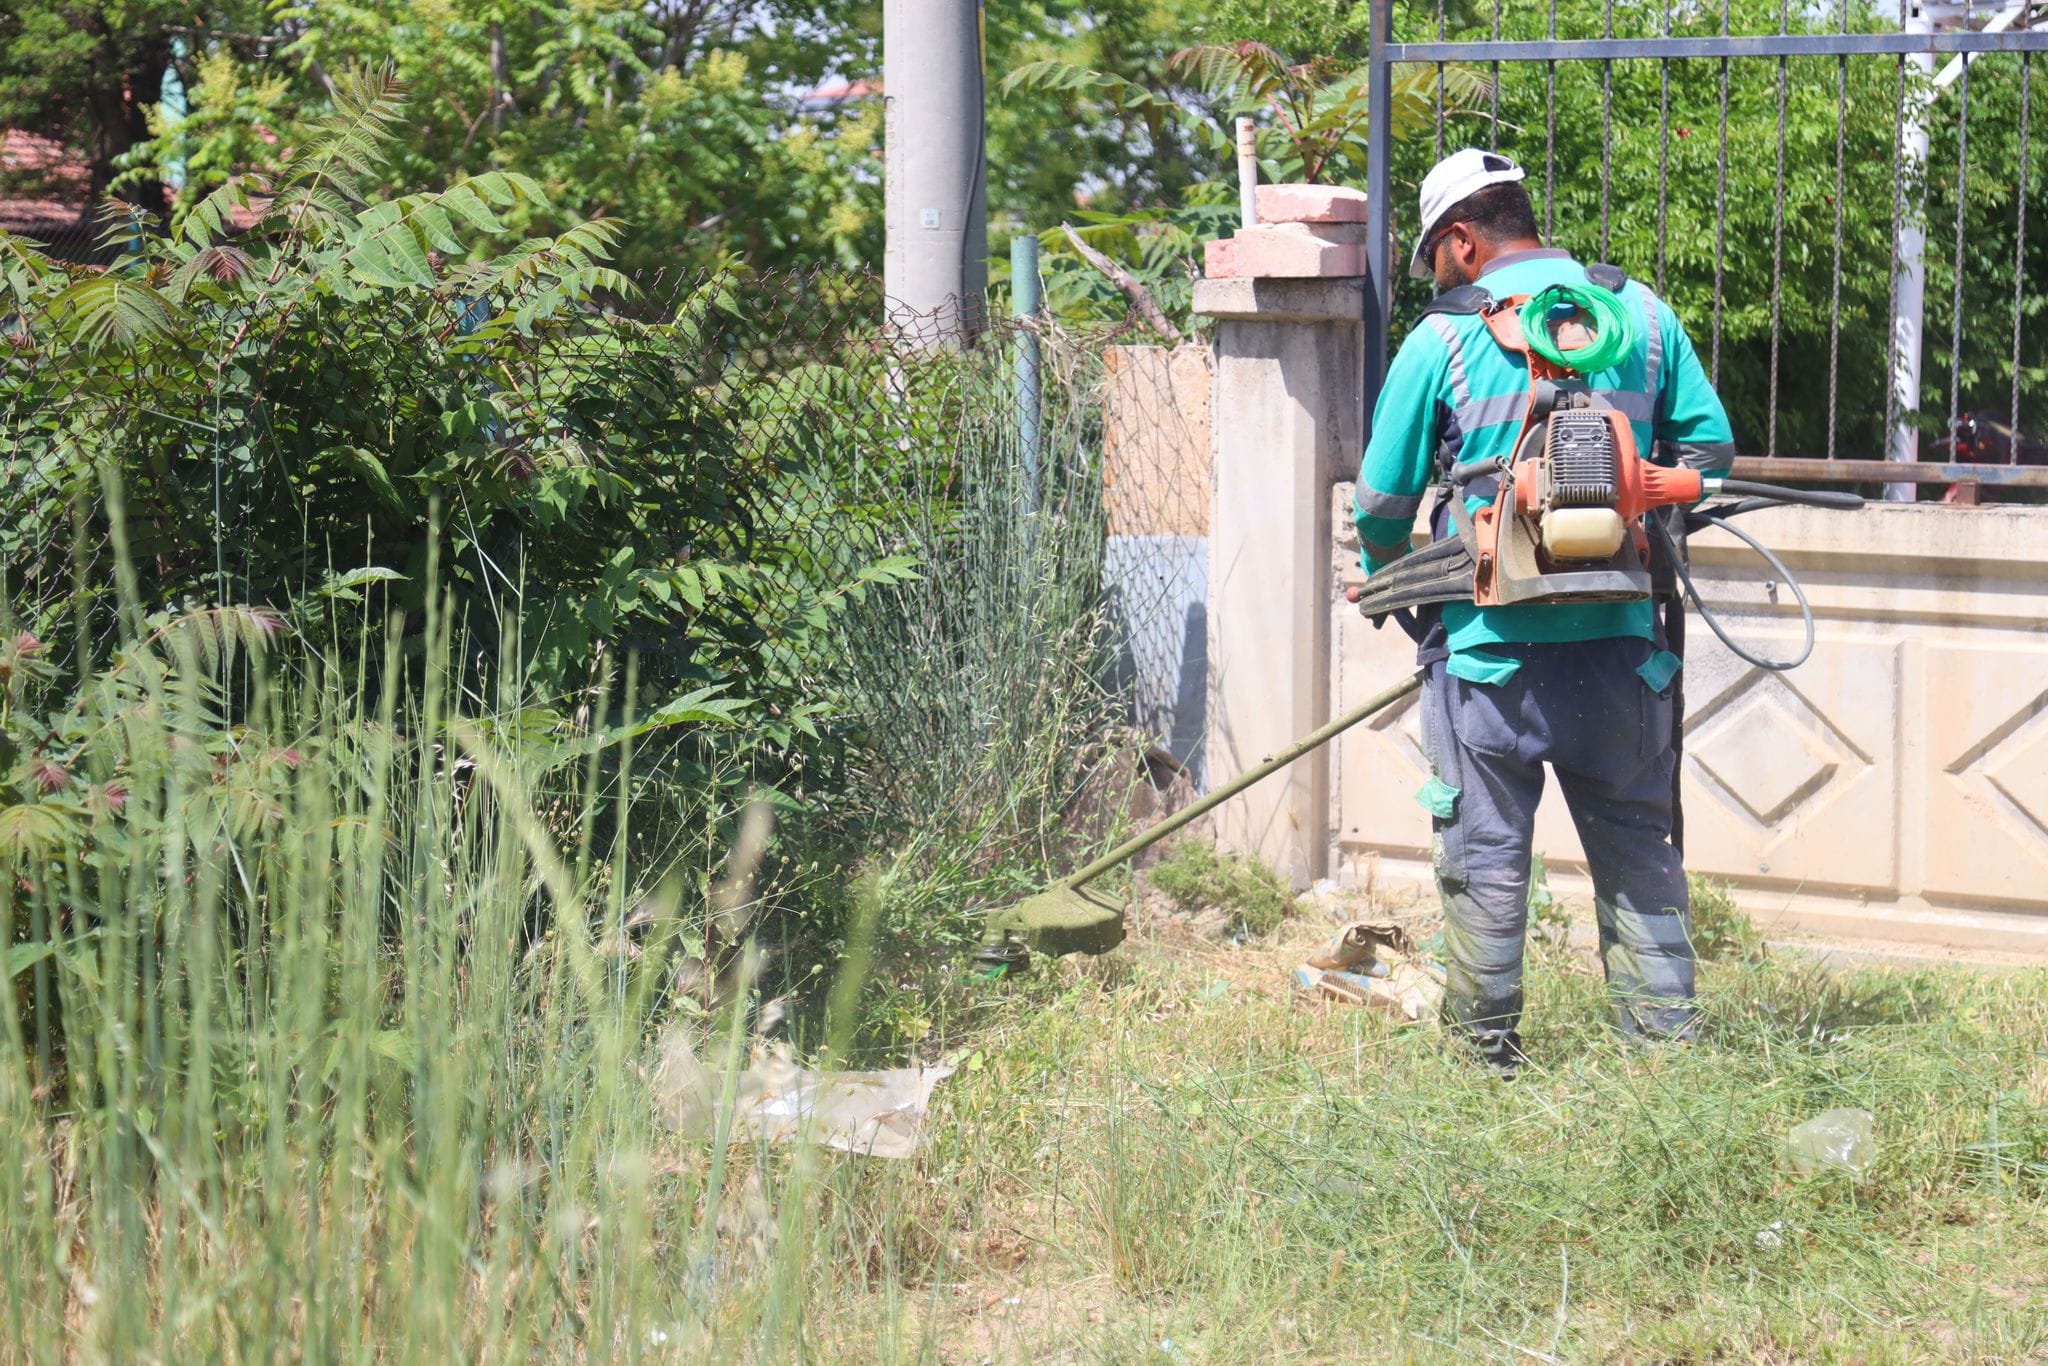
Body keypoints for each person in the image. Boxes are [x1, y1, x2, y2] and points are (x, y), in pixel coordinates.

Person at [1353, 148, 1735, 1072]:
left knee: (1485, 857)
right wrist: (1648, 488)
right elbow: (1714, 455)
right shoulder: (1639, 316)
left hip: (1487, 661)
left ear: (1463, 240)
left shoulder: (1440, 342)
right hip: (1626, 658)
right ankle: (1666, 1059)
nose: (1435, 276)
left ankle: (1485, 1062)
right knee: (1640, 853)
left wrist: (1397, 583)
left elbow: (1379, 505)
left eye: (1435, 258)